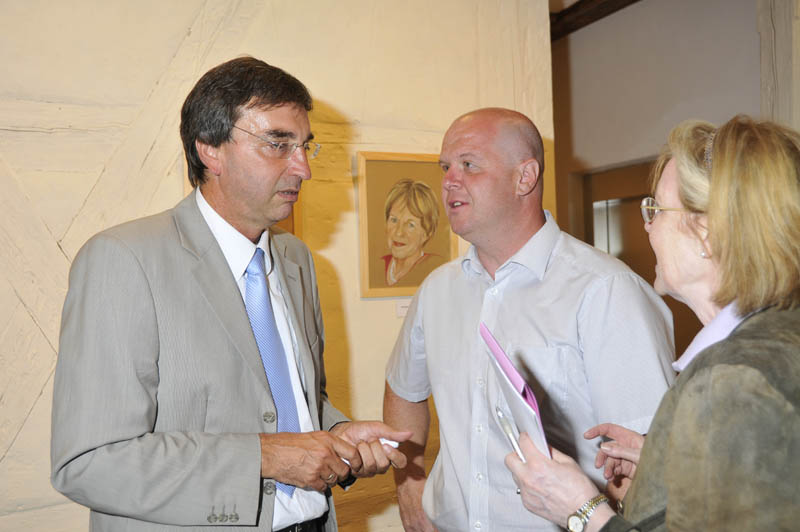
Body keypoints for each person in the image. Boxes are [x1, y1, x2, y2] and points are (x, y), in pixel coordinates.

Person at [50, 57, 410, 532]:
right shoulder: (124, 260)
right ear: (210, 150)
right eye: (278, 144)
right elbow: (89, 462)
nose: (303, 168)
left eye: (305, 146)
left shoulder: (296, 260)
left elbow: (289, 399)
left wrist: (338, 433)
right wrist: (265, 456)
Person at [383, 107, 676, 532]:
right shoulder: (437, 290)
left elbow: (651, 462)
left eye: (469, 165)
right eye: (445, 167)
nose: (448, 181)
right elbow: (402, 390)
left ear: (525, 177)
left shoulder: (606, 291)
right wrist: (410, 490)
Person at [505, 115, 800, 532]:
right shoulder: (776, 336)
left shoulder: (730, 378)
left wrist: (582, 510)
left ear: (707, 232)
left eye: (656, 209)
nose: (647, 225)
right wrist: (668, 465)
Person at [381, 179, 445, 286]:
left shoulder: (436, 270)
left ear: (427, 233)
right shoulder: (378, 265)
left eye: (410, 225)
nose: (399, 233)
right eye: (394, 220)